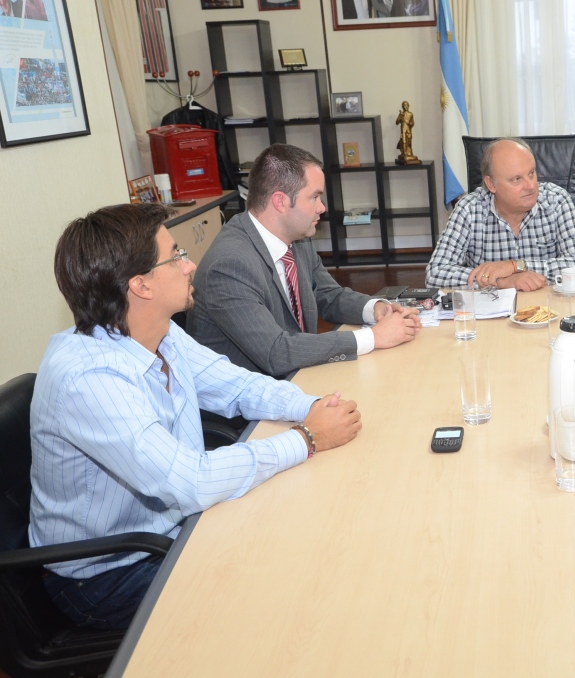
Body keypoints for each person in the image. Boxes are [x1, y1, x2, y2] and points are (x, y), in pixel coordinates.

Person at [30, 203, 363, 630]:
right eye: (176, 256)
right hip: (109, 576)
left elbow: (239, 386)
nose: (190, 266)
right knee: (285, 589)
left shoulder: (160, 333)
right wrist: (307, 438)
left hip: (172, 530)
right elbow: (191, 481)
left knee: (302, 536)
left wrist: (313, 407)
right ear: (141, 285)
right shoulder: (87, 379)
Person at [188, 144, 421, 379]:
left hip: (299, 377)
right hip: (251, 407)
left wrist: (376, 309)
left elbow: (328, 296)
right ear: (280, 202)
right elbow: (275, 352)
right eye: (314, 197)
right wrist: (373, 337)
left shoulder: (296, 237)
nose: (322, 208)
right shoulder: (229, 265)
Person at [426, 138, 575, 291]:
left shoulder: (556, 200)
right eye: (516, 179)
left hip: (546, 310)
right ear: (491, 184)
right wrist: (502, 282)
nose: (530, 186)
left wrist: (516, 266)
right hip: (491, 314)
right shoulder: (469, 209)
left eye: (531, 173)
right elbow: (435, 274)